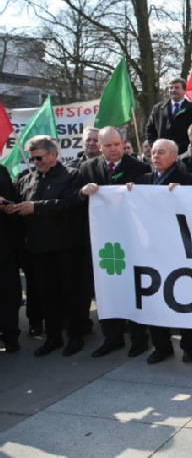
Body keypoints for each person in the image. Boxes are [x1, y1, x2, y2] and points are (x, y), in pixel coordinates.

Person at [79, 126, 151, 358]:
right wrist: (82, 192)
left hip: (131, 241)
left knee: (132, 287)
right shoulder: (87, 168)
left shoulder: (140, 168)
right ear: (99, 146)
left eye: (116, 144)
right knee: (106, 288)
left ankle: (139, 338)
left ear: (123, 144)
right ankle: (113, 337)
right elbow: (74, 201)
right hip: (102, 243)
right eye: (107, 145)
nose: (113, 149)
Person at [130, 139, 192, 364]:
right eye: (153, 152)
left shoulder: (187, 181)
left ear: (174, 156)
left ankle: (190, 346)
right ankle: (161, 346)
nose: (155, 156)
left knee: (185, 297)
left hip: (179, 249)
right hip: (150, 251)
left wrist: (184, 195)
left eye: (161, 152)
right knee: (154, 298)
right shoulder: (141, 182)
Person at [12, 136, 88, 357]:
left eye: (39, 158)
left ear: (53, 154)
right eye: (33, 159)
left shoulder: (72, 175)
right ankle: (52, 336)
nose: (36, 162)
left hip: (66, 246)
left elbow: (71, 203)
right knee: (47, 295)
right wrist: (12, 208)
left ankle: (76, 336)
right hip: (38, 248)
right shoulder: (27, 179)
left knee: (70, 293)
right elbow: (22, 207)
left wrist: (36, 208)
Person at [145, 77, 192, 154]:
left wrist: (183, 147)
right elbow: (150, 129)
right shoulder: (158, 108)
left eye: (177, 88)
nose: (173, 90)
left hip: (185, 153)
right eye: (171, 88)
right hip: (162, 152)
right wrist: (154, 145)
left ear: (184, 90)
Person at [0, 165, 22, 353]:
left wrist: (9, 207)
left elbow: (13, 200)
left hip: (5, 243)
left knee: (9, 290)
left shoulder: (1, 171)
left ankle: (11, 336)